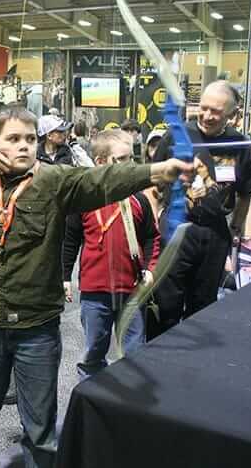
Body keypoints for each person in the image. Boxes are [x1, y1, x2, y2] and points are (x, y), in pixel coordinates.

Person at [0, 105, 191, 468]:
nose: (24, 146)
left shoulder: (54, 180)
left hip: (35, 328)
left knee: (39, 430)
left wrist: (157, 170)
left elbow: (103, 181)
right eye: (13, 139)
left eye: (30, 139)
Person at [151, 80, 251, 337]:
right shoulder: (175, 135)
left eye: (217, 112)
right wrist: (154, 221)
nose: (208, 116)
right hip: (176, 227)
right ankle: (158, 356)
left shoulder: (240, 145)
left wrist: (237, 226)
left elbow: (245, 193)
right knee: (165, 302)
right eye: (204, 107)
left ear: (232, 114)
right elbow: (152, 182)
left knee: (203, 304)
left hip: (214, 234)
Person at [62, 129, 161, 380]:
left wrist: (150, 268)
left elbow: (152, 237)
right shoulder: (84, 200)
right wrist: (64, 277)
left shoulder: (139, 199)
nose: (129, 165)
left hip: (132, 290)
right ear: (101, 162)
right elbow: (70, 240)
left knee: (135, 351)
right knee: (94, 351)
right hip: (96, 291)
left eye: (131, 158)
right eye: (121, 159)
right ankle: (94, 399)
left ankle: (129, 404)